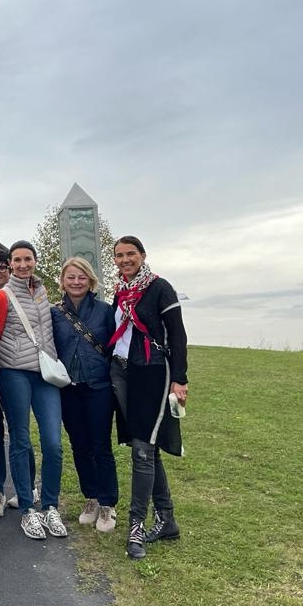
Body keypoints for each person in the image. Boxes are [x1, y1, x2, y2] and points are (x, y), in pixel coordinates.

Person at [107, 236, 188, 560]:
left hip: (152, 372)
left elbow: (178, 335)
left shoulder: (159, 287)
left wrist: (180, 379)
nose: (125, 260)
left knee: (142, 450)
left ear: (142, 255)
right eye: (119, 255)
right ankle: (167, 519)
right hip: (121, 371)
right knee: (146, 446)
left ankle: (136, 526)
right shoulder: (120, 292)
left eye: (130, 254)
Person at [0, 241, 67, 541]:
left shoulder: (43, 292)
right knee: (20, 439)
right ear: (11, 264)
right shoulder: (3, 296)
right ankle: (27, 507)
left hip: (45, 374)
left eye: (28, 259)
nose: (23, 264)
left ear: (34, 261)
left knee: (53, 443)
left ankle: (49, 504)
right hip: (14, 373)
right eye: (17, 260)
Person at [50, 257, 118, 533]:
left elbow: (115, 346)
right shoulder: (54, 313)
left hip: (99, 386)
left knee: (101, 445)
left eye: (81, 277)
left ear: (90, 281)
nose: (76, 282)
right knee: (79, 445)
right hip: (69, 388)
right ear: (63, 281)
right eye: (71, 277)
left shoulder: (104, 311)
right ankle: (90, 497)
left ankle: (108, 503)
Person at [0, 249, 37, 516]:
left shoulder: (28, 297)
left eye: (2, 266)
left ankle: (26, 486)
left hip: (17, 374)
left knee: (20, 432)